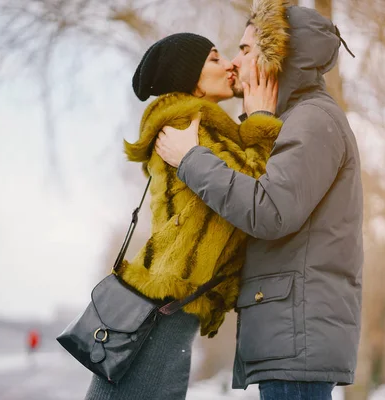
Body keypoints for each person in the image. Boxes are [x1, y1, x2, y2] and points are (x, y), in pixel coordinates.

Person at [155, 2, 364, 400]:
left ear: (276, 60)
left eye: (246, 50)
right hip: (288, 334)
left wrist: (190, 160)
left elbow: (269, 212)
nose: (234, 61)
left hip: (296, 338)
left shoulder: (314, 119)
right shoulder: (294, 119)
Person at [84, 31, 286, 400]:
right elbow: (256, 189)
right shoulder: (188, 125)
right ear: (189, 79)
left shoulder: (196, 125)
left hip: (169, 297)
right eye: (213, 59)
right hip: (169, 298)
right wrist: (260, 122)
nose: (228, 65)